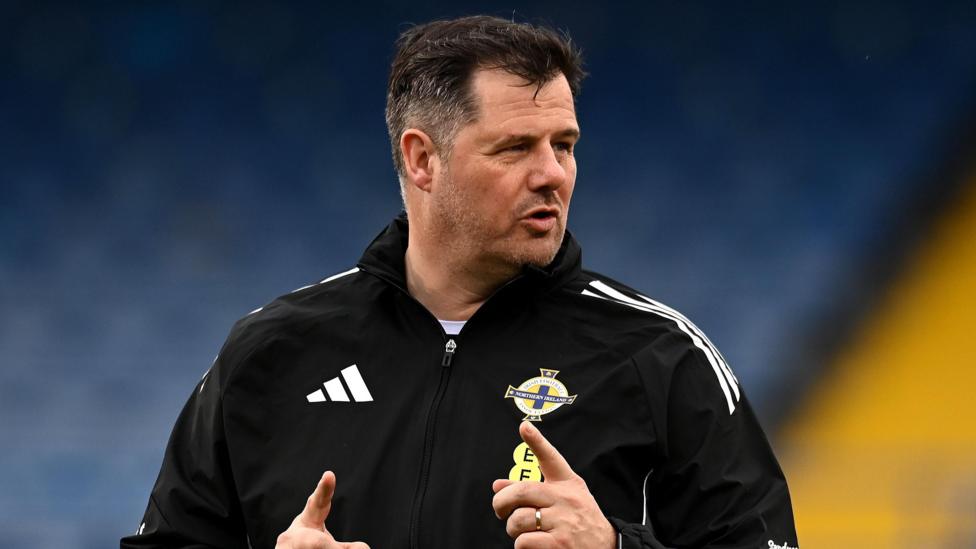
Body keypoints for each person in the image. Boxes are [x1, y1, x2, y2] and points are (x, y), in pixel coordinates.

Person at [122, 15, 798, 549]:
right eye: (515, 148)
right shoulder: (270, 351)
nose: (552, 174)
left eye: (564, 145)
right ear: (422, 159)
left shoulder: (660, 356)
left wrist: (615, 547)